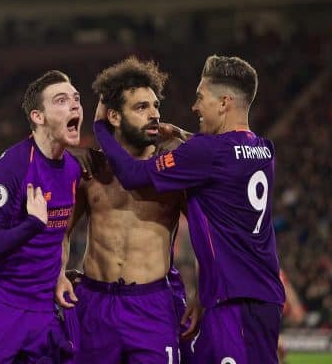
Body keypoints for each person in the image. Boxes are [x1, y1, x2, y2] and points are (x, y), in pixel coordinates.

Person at [93, 55, 286, 363]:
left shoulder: (206, 153)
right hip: (244, 296)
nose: (195, 107)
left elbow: (131, 175)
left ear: (223, 103)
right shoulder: (264, 149)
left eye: (200, 98)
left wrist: (99, 127)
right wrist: (182, 134)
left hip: (238, 301)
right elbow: (222, 156)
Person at [55, 57, 200, 363]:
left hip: (152, 304)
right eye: (141, 107)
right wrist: (58, 274)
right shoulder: (89, 169)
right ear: (115, 117)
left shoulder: (172, 170)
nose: (154, 115)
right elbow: (61, 233)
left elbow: (206, 239)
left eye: (155, 105)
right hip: (94, 302)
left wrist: (200, 294)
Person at [0, 70, 83, 364]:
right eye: (62, 100)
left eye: (77, 99)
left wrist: (59, 274)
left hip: (42, 309)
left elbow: (61, 234)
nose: (75, 105)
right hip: (0, 304)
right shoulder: (12, 168)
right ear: (38, 117)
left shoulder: (73, 169)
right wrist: (32, 225)